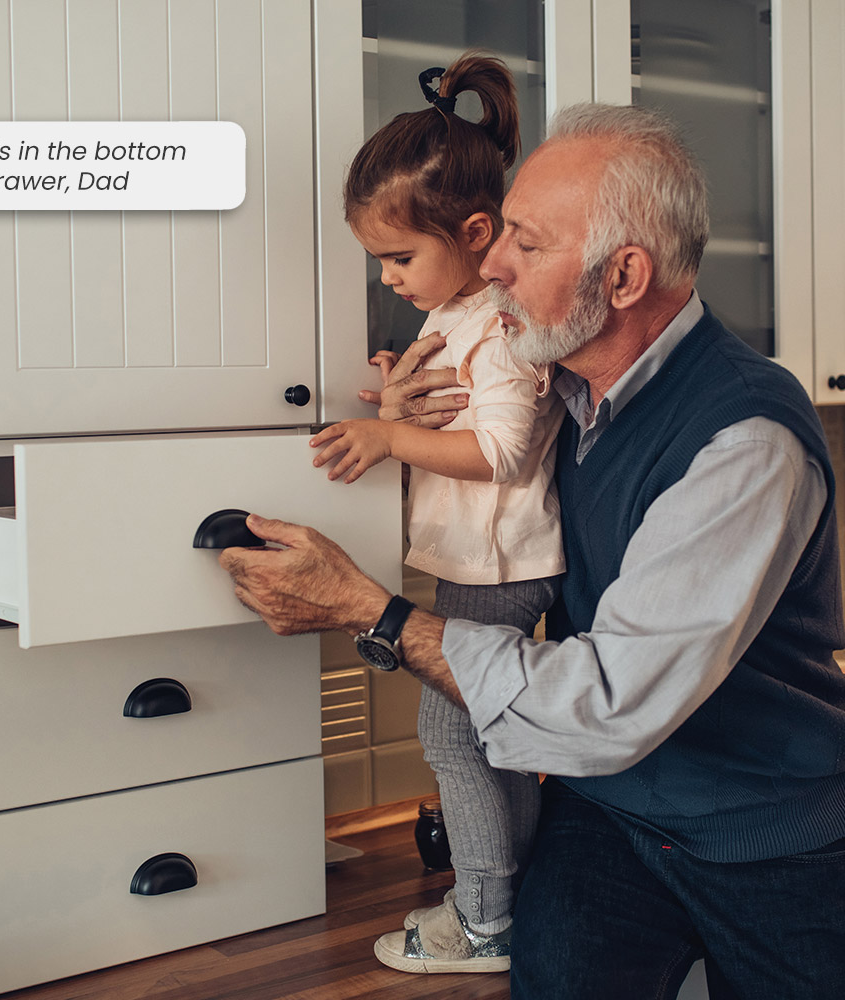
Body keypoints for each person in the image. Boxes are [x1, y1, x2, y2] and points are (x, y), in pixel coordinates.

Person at [220, 102, 845, 999]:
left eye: (526, 243)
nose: (492, 264)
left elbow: (607, 704)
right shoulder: (569, 386)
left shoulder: (742, 442)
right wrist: (400, 421)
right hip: (610, 809)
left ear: (623, 277)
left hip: (763, 827)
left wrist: (374, 612)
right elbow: (482, 475)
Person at [309, 52, 564, 974]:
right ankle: (519, 897)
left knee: (455, 733)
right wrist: (397, 397)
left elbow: (496, 451)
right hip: (482, 563)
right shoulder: (455, 317)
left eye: (399, 257)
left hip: (497, 565)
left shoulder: (496, 326)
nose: (388, 279)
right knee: (493, 732)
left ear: (476, 230)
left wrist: (386, 440)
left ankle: (487, 918)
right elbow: (452, 414)